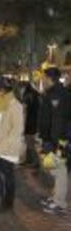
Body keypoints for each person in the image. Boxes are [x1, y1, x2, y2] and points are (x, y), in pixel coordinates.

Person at [0, 78, 24, 212]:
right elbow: (2, 122)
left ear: (2, 89)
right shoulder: (0, 102)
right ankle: (4, 201)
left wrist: (5, 145)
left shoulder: (15, 105)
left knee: (0, 172)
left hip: (6, 147)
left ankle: (3, 202)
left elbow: (17, 128)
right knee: (0, 172)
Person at [38, 67, 71, 215]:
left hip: (57, 139)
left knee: (60, 170)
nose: (42, 81)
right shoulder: (53, 93)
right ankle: (56, 196)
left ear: (49, 78)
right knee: (55, 169)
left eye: (43, 78)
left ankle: (60, 202)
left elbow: (57, 119)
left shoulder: (57, 94)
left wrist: (54, 141)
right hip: (52, 138)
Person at [21, 82, 40, 168]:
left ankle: (35, 161)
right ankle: (29, 160)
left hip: (28, 122)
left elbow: (24, 112)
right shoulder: (36, 95)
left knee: (29, 142)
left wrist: (23, 125)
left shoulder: (27, 97)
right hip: (35, 121)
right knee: (29, 142)